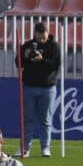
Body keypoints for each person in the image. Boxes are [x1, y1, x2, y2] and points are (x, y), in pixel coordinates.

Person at [15, 21, 60, 158]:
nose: (41, 40)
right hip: (29, 86)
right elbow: (18, 63)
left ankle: (45, 148)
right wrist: (25, 55)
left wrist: (42, 59)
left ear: (48, 34)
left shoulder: (54, 47)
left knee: (45, 120)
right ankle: (24, 148)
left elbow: (54, 65)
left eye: (44, 38)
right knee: (27, 119)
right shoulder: (28, 45)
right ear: (35, 34)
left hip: (47, 88)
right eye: (39, 37)